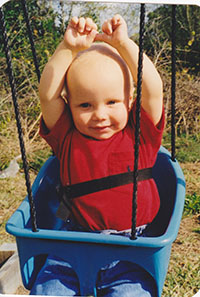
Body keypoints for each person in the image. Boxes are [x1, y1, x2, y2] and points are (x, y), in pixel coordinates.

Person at [30, 14, 164, 296]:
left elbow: (154, 89)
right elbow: (47, 96)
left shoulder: (140, 134)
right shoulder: (67, 137)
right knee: (48, 290)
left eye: (112, 102)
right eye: (85, 105)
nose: (100, 115)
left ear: (130, 102)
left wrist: (124, 44)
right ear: (70, 106)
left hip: (133, 251)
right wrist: (67, 49)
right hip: (73, 245)